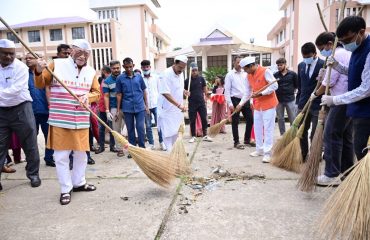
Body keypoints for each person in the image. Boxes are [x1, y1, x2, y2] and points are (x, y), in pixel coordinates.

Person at [35, 39, 100, 205]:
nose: (82, 56)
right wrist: (38, 69)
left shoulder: (91, 71)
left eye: (86, 54)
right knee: (61, 156)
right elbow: (41, 83)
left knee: (81, 155)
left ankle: (79, 183)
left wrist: (88, 96)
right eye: (79, 52)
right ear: (71, 50)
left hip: (81, 120)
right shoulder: (56, 64)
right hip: (60, 119)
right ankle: (65, 189)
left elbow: (97, 93)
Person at [321, 15, 370, 162]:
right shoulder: (358, 49)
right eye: (343, 41)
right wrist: (338, 66)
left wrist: (335, 99)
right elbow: (356, 72)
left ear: (361, 32)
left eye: (348, 40)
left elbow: (366, 88)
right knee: (357, 146)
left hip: (367, 110)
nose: (346, 44)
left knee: (361, 150)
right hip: (358, 109)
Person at [309, 31, 354, 186]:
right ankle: (348, 172)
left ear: (330, 43)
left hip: (339, 101)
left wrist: (315, 94)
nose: (322, 52)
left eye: (322, 48)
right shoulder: (347, 53)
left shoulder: (337, 55)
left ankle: (331, 174)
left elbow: (330, 81)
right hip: (350, 99)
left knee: (331, 135)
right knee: (346, 137)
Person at [0, 39, 41, 191]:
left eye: (12, 54)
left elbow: (16, 90)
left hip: (21, 108)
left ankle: (33, 174)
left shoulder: (21, 67)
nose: (9, 57)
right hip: (1, 111)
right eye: (5, 54)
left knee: (29, 143)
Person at [240, 57, 279, 163]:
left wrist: (261, 93)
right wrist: (241, 104)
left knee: (268, 129)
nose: (244, 71)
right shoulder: (248, 76)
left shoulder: (265, 71)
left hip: (269, 104)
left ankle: (267, 153)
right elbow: (247, 92)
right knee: (257, 127)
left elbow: (275, 85)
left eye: (245, 69)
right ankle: (259, 149)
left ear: (251, 66)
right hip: (257, 105)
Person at [25, 52, 55, 167]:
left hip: (46, 111)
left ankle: (49, 158)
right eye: (26, 58)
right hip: (29, 112)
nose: (27, 60)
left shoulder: (46, 73)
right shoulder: (23, 74)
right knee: (31, 138)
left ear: (38, 59)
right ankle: (32, 161)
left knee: (49, 136)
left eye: (30, 58)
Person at [296, 42, 325, 161]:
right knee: (301, 130)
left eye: (308, 56)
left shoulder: (323, 65)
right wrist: (298, 101)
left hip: (318, 104)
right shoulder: (301, 65)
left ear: (314, 54)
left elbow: (327, 85)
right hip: (303, 104)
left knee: (315, 133)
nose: (306, 59)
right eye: (304, 57)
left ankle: (315, 156)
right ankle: (303, 154)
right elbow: (300, 84)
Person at [116, 57, 149, 158]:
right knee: (130, 130)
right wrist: (118, 110)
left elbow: (144, 91)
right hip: (127, 108)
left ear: (133, 66)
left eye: (130, 67)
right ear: (123, 67)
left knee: (140, 128)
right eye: (126, 67)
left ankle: (142, 149)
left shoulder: (139, 77)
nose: (129, 69)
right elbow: (119, 94)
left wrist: (146, 106)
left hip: (140, 107)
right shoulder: (120, 78)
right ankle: (132, 151)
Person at [157, 55, 188, 151]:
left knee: (176, 132)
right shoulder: (165, 74)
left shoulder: (181, 73)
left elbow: (176, 87)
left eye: (183, 68)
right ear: (174, 63)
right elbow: (165, 93)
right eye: (180, 67)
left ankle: (175, 153)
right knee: (167, 133)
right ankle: (170, 155)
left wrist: (183, 91)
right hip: (167, 109)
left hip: (177, 110)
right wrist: (179, 105)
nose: (181, 70)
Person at [224, 56, 254, 149]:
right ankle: (236, 142)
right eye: (238, 62)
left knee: (250, 119)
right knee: (235, 122)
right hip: (235, 100)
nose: (240, 64)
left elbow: (250, 88)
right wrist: (230, 104)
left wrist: (251, 100)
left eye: (241, 63)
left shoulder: (246, 74)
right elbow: (227, 91)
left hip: (245, 99)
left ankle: (247, 139)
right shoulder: (229, 75)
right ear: (234, 63)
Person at [141, 60, 166, 150]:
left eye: (147, 67)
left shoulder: (156, 77)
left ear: (150, 67)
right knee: (148, 126)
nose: (145, 69)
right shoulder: (140, 78)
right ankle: (151, 144)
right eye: (144, 67)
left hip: (156, 105)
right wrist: (144, 106)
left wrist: (162, 104)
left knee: (159, 124)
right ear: (141, 68)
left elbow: (160, 90)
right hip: (145, 106)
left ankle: (162, 142)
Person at [102, 60, 125, 157]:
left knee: (128, 129)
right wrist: (107, 111)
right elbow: (106, 96)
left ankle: (131, 148)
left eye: (118, 68)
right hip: (115, 108)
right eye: (114, 68)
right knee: (116, 129)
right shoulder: (107, 81)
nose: (116, 70)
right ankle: (120, 149)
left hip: (127, 107)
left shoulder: (125, 78)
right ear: (110, 69)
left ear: (120, 67)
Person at [185, 62, 212, 143]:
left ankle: (205, 135)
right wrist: (186, 92)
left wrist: (207, 97)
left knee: (204, 118)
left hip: (201, 102)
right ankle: (193, 136)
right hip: (192, 103)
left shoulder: (201, 79)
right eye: (193, 70)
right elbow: (184, 91)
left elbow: (204, 88)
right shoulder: (187, 81)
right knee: (192, 120)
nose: (194, 72)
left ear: (198, 70)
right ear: (190, 71)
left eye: (196, 70)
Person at [273, 58, 298, 135]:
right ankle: (282, 135)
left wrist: (291, 90)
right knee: (280, 119)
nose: (279, 67)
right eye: (278, 65)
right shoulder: (275, 75)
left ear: (285, 64)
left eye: (281, 65)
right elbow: (273, 86)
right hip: (279, 100)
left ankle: (292, 135)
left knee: (292, 118)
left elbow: (296, 85)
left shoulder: (293, 74)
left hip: (290, 99)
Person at [95, 65, 116, 154]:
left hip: (109, 108)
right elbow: (102, 96)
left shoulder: (110, 81)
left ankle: (112, 146)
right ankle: (102, 146)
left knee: (112, 128)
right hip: (102, 107)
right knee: (101, 128)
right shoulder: (103, 81)